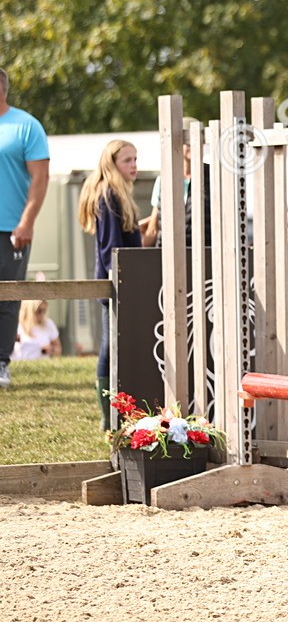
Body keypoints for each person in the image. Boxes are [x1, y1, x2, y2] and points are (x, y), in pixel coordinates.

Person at [78, 140, 143, 428]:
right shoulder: (107, 194)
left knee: (117, 344)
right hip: (115, 282)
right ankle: (108, 415)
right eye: (127, 160)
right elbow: (110, 248)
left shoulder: (120, 193)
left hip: (124, 280)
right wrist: (118, 281)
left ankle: (117, 410)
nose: (134, 165)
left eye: (135, 159)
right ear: (112, 163)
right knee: (109, 346)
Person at [0, 67, 50, 390]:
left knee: (8, 296)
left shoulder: (26, 126)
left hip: (11, 230)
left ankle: (1, 363)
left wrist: (27, 222)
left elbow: (40, 178)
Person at [142, 117, 210, 248]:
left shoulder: (213, 176)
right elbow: (154, 226)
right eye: (187, 142)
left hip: (203, 251)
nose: (192, 146)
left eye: (197, 141)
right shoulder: (164, 179)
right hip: (168, 251)